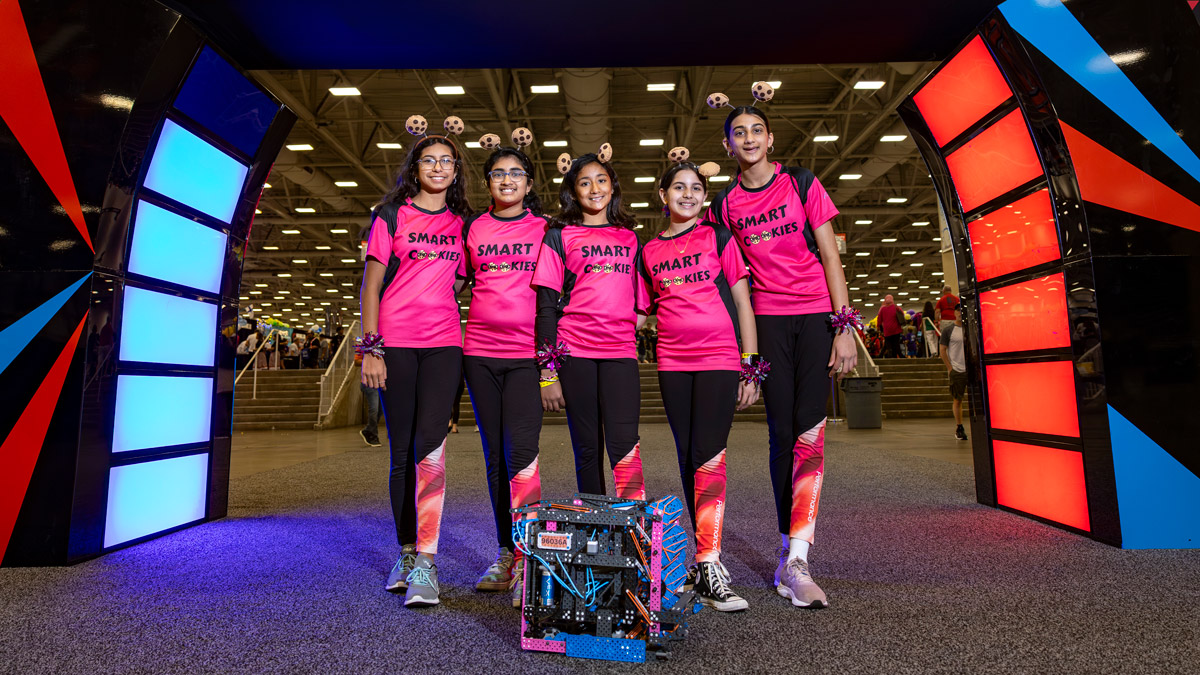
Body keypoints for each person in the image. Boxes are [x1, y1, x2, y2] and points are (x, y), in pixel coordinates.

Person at [705, 103, 855, 609]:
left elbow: (830, 254)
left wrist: (844, 327)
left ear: (770, 139)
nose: (748, 139)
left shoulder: (801, 182)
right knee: (781, 435)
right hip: (767, 324)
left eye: (756, 131)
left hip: (814, 317)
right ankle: (788, 551)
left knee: (810, 430)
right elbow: (728, 281)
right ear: (728, 147)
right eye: (738, 133)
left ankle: (798, 555)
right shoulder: (725, 205)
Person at [641, 159, 758, 612]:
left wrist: (750, 364)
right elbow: (640, 310)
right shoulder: (648, 251)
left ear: (704, 197)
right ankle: (702, 558)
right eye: (679, 187)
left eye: (696, 189)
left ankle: (710, 560)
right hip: (672, 364)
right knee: (689, 457)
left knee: (710, 457)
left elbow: (743, 302)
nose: (687, 195)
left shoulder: (719, 237)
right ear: (663, 195)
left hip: (718, 359)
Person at [360, 131, 471, 607]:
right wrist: (372, 348)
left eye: (447, 161)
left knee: (431, 449)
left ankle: (428, 558)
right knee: (402, 452)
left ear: (456, 171)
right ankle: (406, 551)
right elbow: (371, 285)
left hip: (445, 345)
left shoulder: (464, 223)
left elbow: (466, 275)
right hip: (397, 345)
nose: (439, 168)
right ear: (415, 167)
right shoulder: (391, 215)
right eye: (430, 160)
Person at [532, 151, 649, 501]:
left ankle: (631, 529)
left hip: (620, 355)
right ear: (573, 192)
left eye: (601, 180)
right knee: (587, 449)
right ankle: (596, 526)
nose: (594, 188)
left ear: (612, 187)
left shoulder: (629, 238)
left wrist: (619, 324)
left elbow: (642, 304)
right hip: (574, 354)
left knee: (625, 445)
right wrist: (547, 373)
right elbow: (546, 309)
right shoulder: (560, 235)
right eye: (584, 182)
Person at [460, 145, 549, 604]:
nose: (507, 180)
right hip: (478, 354)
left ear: (529, 184)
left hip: (524, 358)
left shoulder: (545, 229)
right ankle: (506, 553)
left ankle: (529, 557)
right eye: (498, 173)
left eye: (517, 174)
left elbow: (557, 298)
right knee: (495, 457)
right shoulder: (473, 227)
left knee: (523, 455)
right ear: (488, 182)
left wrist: (551, 363)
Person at [940, 308, 968, 441]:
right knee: (958, 399)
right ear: (954, 313)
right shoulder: (948, 330)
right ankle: (959, 427)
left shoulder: (970, 328)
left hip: (971, 368)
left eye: (962, 311)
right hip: (957, 369)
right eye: (957, 311)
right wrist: (950, 368)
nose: (960, 313)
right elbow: (942, 350)